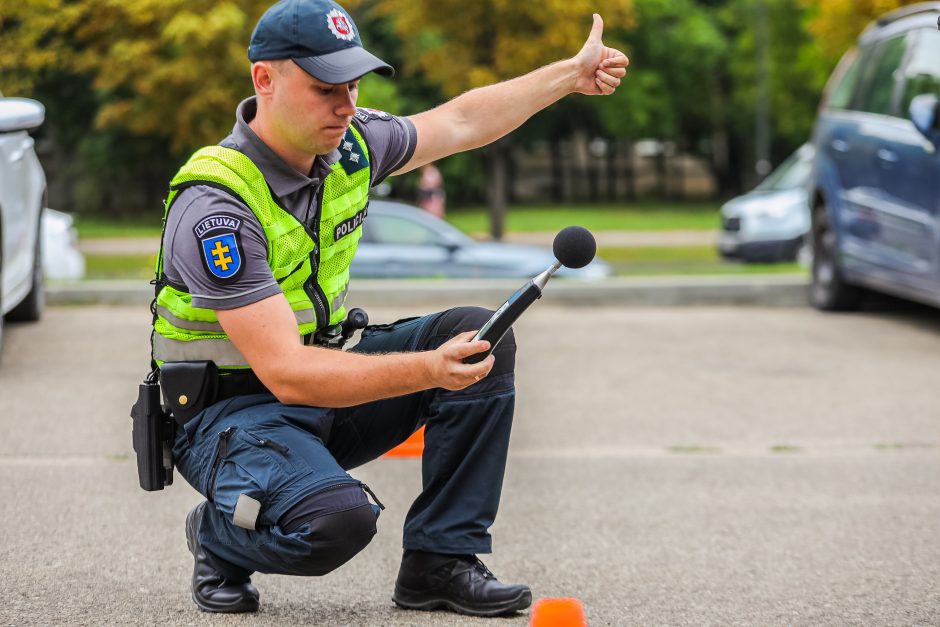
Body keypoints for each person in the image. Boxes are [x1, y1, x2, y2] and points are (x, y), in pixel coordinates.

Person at [151, 0, 627, 617]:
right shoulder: (216, 207)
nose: (347, 106)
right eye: (326, 89)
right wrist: (427, 369)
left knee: (479, 336)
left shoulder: (348, 145)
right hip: (228, 418)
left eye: (352, 86)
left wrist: (569, 74)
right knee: (337, 523)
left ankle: (440, 562)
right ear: (264, 80)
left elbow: (458, 122)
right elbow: (286, 373)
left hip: (318, 391)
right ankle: (219, 536)